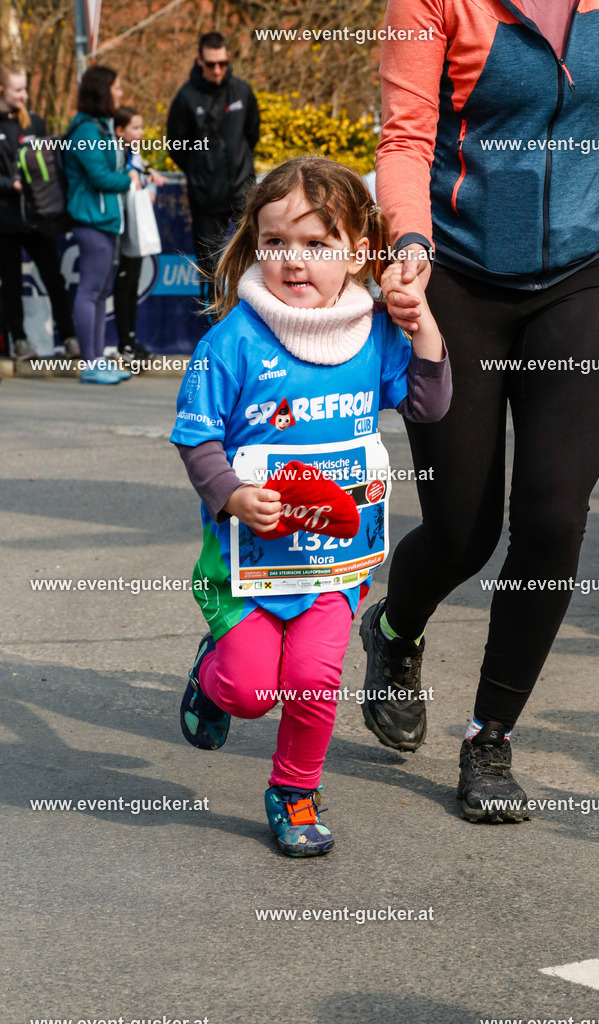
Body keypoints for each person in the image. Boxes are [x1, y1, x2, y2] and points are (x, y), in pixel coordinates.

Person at [360, 0, 599, 822]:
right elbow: (404, 136)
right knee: (463, 531)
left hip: (581, 270)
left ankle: (489, 736)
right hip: (457, 273)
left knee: (552, 516)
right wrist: (406, 246)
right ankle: (394, 630)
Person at [170, 156, 451, 856]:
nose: (293, 261)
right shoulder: (229, 341)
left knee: (313, 680)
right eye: (275, 243)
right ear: (254, 244)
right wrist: (231, 494)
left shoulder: (374, 331)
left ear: (359, 249)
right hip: (246, 566)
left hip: (332, 565)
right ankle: (214, 677)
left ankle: (295, 790)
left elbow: (428, 402)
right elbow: (195, 436)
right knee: (248, 692)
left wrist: (422, 328)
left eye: (318, 244)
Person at [167, 31, 260, 309]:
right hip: (205, 196)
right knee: (209, 267)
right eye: (211, 64)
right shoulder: (186, 97)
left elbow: (251, 134)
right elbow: (176, 146)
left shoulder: (242, 91)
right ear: (199, 60)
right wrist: (200, 171)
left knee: (252, 259)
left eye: (222, 63)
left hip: (242, 191)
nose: (217, 69)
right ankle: (213, 326)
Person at [62, 66, 140, 385]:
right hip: (91, 220)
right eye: (117, 87)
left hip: (104, 220)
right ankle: (90, 362)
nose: (120, 92)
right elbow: (99, 177)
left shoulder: (100, 127)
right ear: (102, 90)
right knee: (91, 289)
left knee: (99, 291)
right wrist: (130, 180)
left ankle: (97, 358)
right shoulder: (85, 131)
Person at [0, 64, 77, 360]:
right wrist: (11, 184)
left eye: (25, 89)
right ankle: (18, 339)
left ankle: (69, 338)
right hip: (6, 219)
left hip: (37, 218)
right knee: (12, 281)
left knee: (53, 278)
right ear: (3, 91)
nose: (24, 95)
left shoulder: (34, 122)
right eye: (17, 90)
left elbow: (46, 165)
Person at [113, 105, 166, 364]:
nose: (141, 132)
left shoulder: (134, 152)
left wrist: (149, 175)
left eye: (142, 126)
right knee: (123, 285)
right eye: (135, 127)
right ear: (119, 130)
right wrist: (129, 175)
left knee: (132, 283)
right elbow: (115, 176)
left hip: (137, 226)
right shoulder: (113, 150)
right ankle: (123, 342)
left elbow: (140, 174)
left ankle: (130, 339)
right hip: (121, 229)